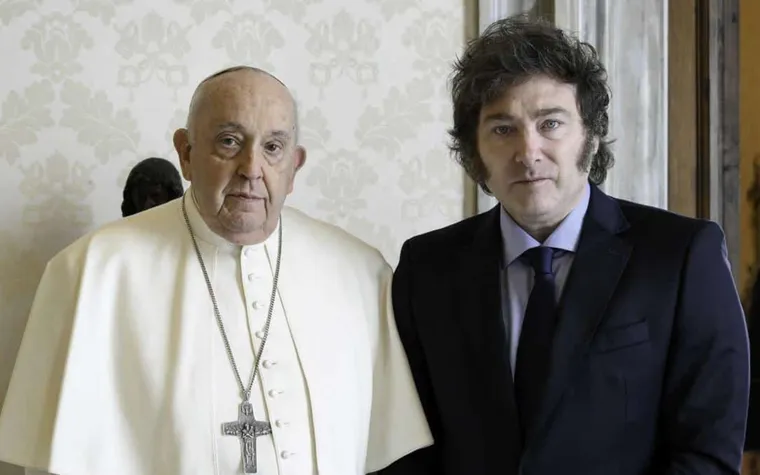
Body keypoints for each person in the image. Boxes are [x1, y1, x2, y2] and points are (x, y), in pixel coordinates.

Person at [0, 66, 432, 475]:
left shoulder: (361, 273)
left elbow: (390, 460)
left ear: (294, 167)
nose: (251, 169)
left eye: (273, 147)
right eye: (229, 141)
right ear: (186, 154)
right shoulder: (90, 272)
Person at [380, 15, 750, 475]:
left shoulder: (682, 255)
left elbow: (707, 452)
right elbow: (405, 448)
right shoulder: (427, 268)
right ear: (474, 152)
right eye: (502, 129)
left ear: (590, 137)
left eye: (550, 123)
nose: (528, 152)